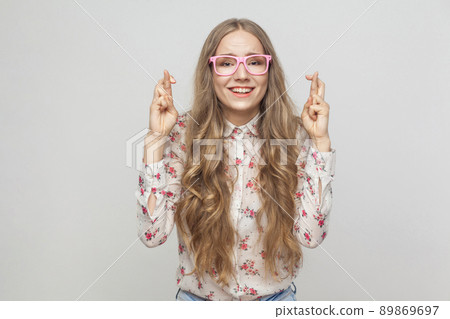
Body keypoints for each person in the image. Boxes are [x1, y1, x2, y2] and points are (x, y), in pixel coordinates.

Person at [135, 18, 336, 301]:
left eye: (254, 62)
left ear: (269, 70)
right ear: (211, 71)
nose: (241, 75)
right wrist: (156, 139)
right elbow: (152, 235)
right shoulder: (182, 133)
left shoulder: (295, 136)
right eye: (227, 63)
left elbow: (311, 237)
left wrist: (320, 143)